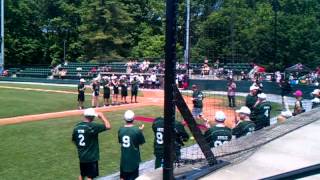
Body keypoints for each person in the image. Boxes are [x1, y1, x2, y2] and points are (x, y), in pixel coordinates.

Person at [72, 108, 111, 180]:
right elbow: (108, 126)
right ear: (91, 117)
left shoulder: (77, 127)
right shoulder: (92, 126)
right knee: (90, 176)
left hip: (82, 156)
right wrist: (102, 116)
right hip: (91, 157)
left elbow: (74, 141)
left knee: (82, 174)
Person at [118, 110, 145, 180]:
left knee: (122, 177)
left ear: (124, 119)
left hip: (124, 160)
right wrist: (141, 131)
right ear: (133, 118)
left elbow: (121, 141)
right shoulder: (137, 130)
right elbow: (141, 142)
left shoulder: (120, 130)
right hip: (134, 160)